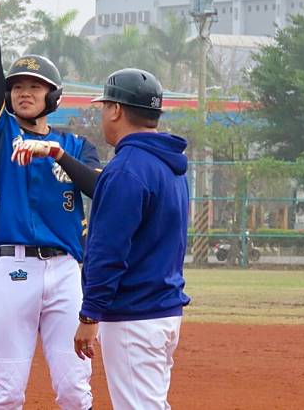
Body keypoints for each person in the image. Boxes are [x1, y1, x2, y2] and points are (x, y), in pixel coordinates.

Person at [0, 0, 102, 410]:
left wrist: (58, 155)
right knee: (6, 393)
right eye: (18, 86)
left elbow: (101, 189)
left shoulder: (75, 145)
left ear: (52, 97)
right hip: (14, 270)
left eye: (35, 87)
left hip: (65, 274)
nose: (24, 92)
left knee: (76, 392)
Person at [73, 69, 191, 409]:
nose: (102, 115)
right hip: (162, 310)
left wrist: (89, 316)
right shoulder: (169, 165)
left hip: (134, 316)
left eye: (104, 106)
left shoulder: (127, 167)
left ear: (116, 110)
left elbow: (108, 252)